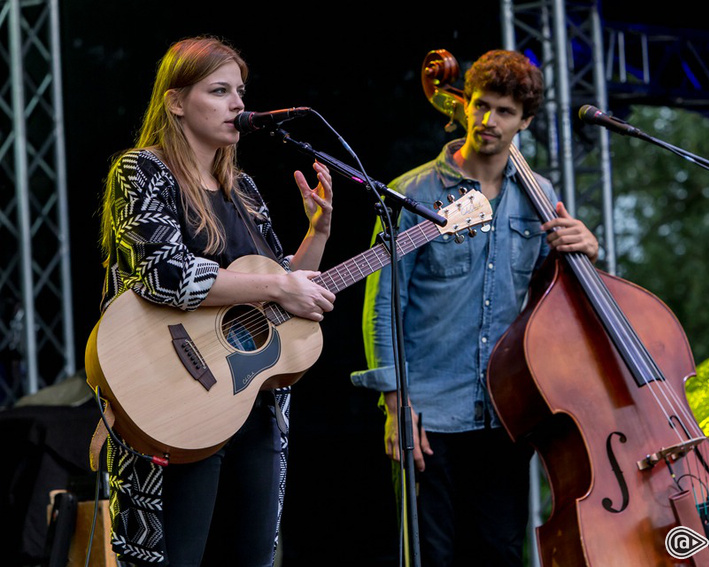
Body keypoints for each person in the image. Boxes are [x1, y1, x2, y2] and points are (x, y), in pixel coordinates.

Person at [351, 50, 599, 565]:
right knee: (430, 557)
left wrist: (587, 249)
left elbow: (556, 298)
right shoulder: (412, 192)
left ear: (524, 122)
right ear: (464, 106)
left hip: (506, 411)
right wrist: (396, 407)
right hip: (430, 413)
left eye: (505, 112)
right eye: (482, 106)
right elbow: (382, 306)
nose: (489, 121)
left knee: (500, 553)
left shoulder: (540, 194)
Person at [96, 36, 335, 566]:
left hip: (251, 402)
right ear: (176, 102)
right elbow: (164, 274)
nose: (237, 105)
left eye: (240, 92)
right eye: (219, 90)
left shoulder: (243, 189)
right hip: (173, 398)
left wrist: (316, 235)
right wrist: (279, 285)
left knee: (248, 556)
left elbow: (280, 288)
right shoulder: (142, 171)